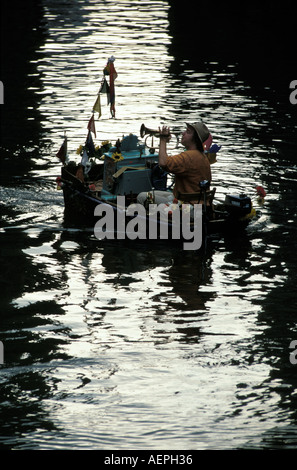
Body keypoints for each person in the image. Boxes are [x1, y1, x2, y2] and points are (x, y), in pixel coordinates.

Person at [137, 121, 212, 206]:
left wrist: (163, 139)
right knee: (151, 193)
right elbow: (170, 162)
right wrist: (163, 143)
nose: (183, 133)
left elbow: (163, 163)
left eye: (188, 132)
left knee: (141, 197)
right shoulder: (202, 156)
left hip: (186, 205)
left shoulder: (189, 156)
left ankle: (152, 218)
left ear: (195, 139)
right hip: (196, 201)